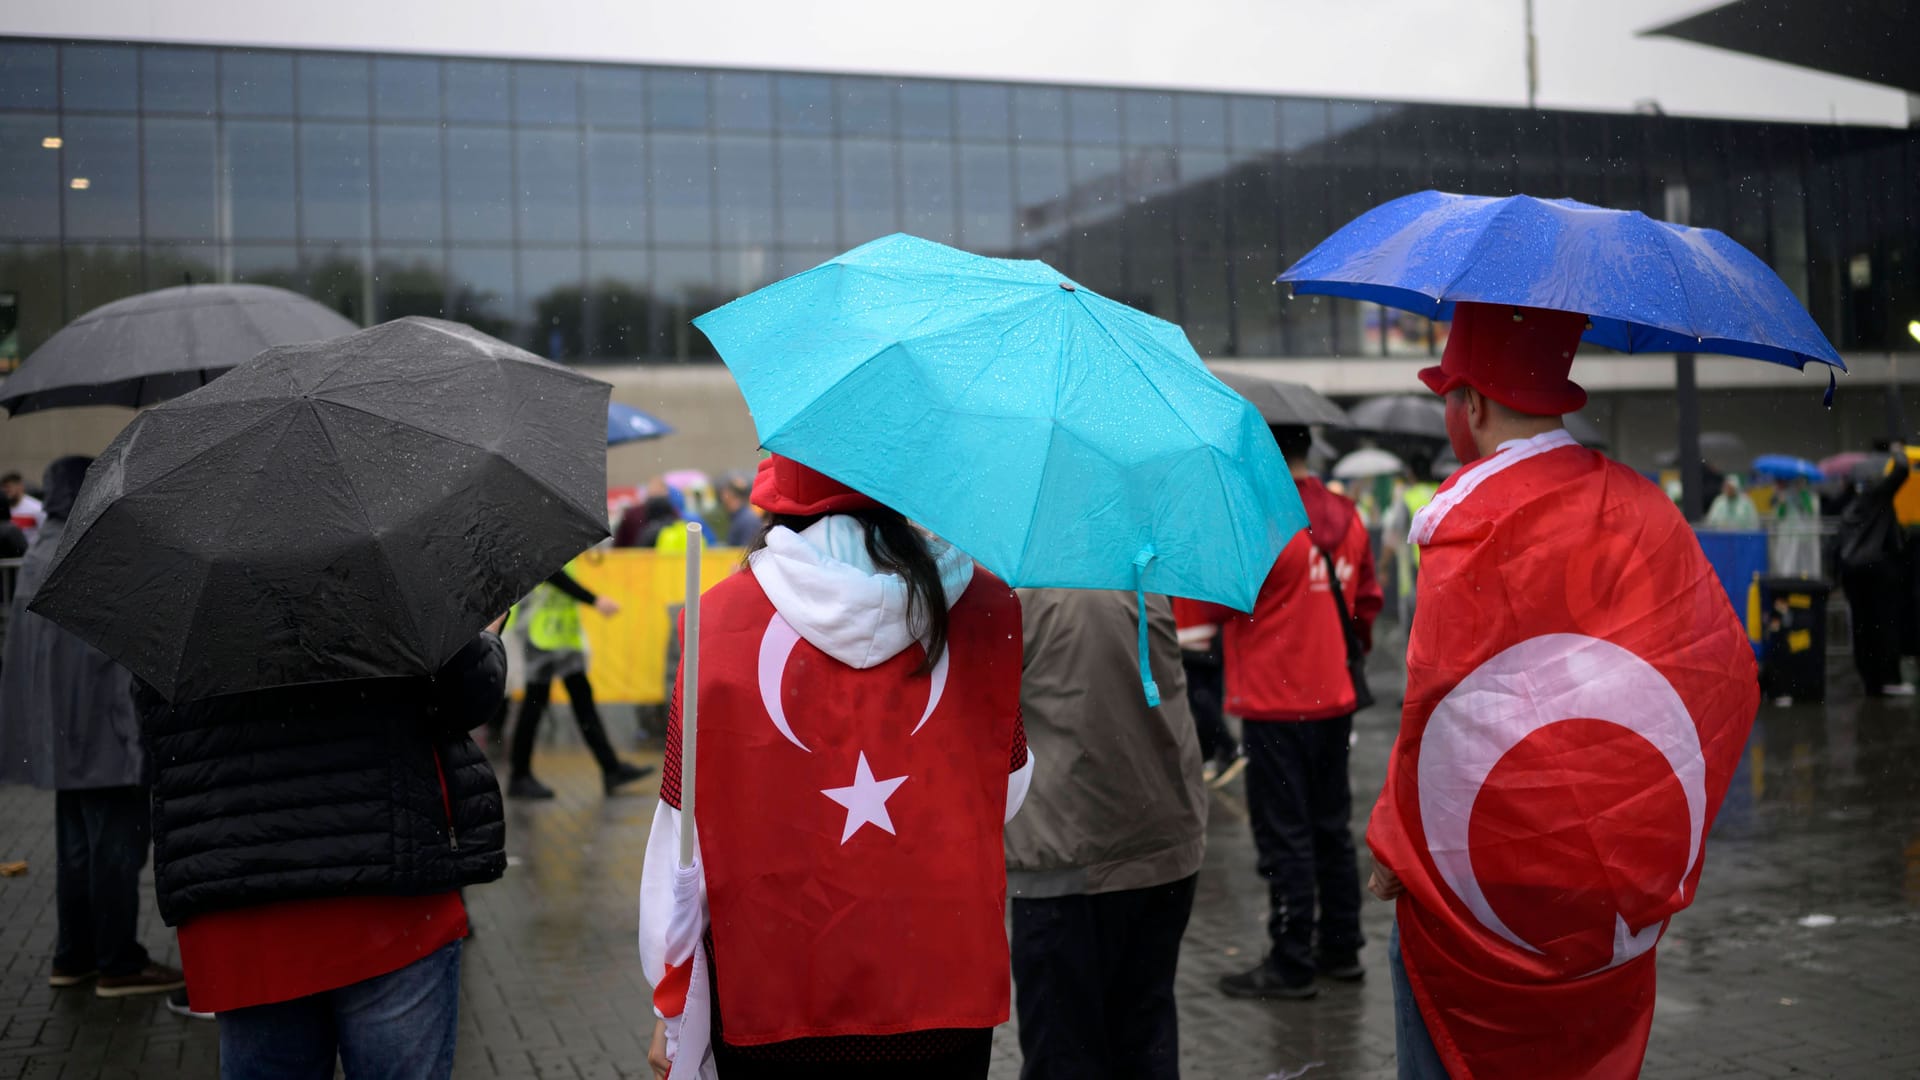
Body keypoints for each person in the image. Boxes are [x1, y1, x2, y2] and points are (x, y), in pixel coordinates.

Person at [1367, 302, 1761, 1080]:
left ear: (1471, 404)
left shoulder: (1467, 522)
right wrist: (1655, 838)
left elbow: (1435, 711)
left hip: (1481, 897)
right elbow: (1720, 667)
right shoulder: (1641, 504)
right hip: (1609, 898)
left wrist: (1392, 842)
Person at [641, 454, 1032, 1080]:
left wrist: (671, 995)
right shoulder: (985, 607)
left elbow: (681, 833)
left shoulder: (716, 621)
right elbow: (1007, 789)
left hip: (773, 987)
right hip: (941, 984)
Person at [133, 619, 511, 1079]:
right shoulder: (385, 573)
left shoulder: (180, 597)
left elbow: (157, 725)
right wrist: (481, 637)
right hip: (388, 898)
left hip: (243, 901)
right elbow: (467, 696)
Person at [1188, 423, 1381, 1001]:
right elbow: (1366, 604)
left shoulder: (1259, 517)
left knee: (1284, 837)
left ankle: (1291, 959)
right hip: (1335, 697)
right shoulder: (1347, 515)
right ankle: (1341, 947)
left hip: (1274, 702)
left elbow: (1201, 616)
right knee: (1331, 830)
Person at [0, 457, 183, 998]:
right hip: (108, 737)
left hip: (61, 737)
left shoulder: (40, 553)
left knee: (77, 850)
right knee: (116, 851)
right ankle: (117, 960)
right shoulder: (99, 553)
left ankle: (73, 955)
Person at [1005, 588, 1206, 1080]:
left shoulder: (1019, 593)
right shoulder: (1143, 572)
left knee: (1064, 1052)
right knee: (1146, 1038)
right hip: (1163, 847)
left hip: (1064, 858)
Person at [508, 564, 655, 799]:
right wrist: (594, 600)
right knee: (534, 707)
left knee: (580, 702)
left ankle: (611, 768)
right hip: (541, 636)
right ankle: (519, 776)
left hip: (561, 637)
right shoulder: (543, 542)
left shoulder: (557, 540)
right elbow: (551, 574)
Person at [1835, 447, 1914, 696]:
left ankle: (1871, 680)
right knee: (1885, 625)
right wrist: (1898, 452)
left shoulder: (1849, 508)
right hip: (1878, 571)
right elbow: (1901, 471)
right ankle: (1888, 678)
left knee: (1862, 628)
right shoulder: (1877, 497)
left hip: (1853, 575)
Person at [1172, 598, 1240, 785]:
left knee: (1200, 699)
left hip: (1191, 635)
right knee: (1208, 697)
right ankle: (1211, 755)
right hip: (1211, 633)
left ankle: (1225, 747)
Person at [1771, 474, 1821, 578]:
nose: (1798, 485)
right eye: (1797, 482)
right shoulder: (1786, 497)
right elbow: (1780, 516)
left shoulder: (1811, 498)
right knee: (1788, 565)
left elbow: (1811, 512)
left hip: (1805, 539)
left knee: (1806, 566)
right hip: (1787, 537)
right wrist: (1782, 504)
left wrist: (1803, 495)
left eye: (1801, 482)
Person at [719, 471, 762, 547]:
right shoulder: (741, 517)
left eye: (723, 492)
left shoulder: (748, 520)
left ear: (729, 494)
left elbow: (745, 552)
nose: (721, 497)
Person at [3, 469, 45, 543]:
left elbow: (45, 534)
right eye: (4, 488)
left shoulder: (37, 508)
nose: (6, 491)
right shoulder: (3, 508)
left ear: (20, 487)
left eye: (9, 487)